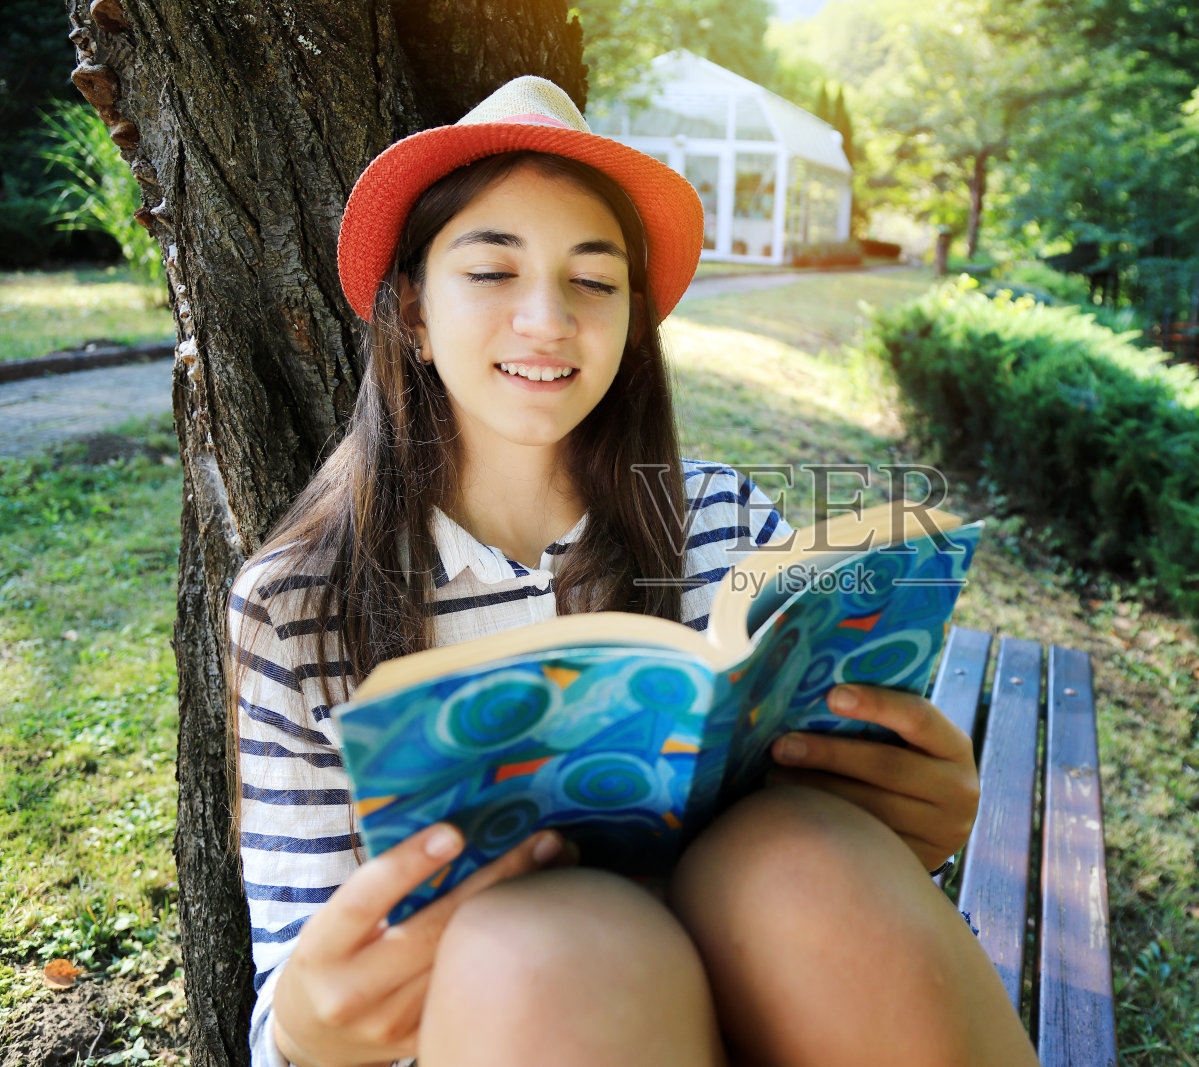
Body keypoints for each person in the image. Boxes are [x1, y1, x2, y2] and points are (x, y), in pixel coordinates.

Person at [228, 75, 1040, 1067]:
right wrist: (314, 1025)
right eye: (490, 273)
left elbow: (829, 840)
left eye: (594, 279)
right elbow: (283, 1022)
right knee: (547, 947)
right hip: (500, 1025)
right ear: (412, 315)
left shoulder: (724, 520)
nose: (547, 319)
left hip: (752, 997)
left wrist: (915, 816)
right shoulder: (299, 606)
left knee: (799, 858)